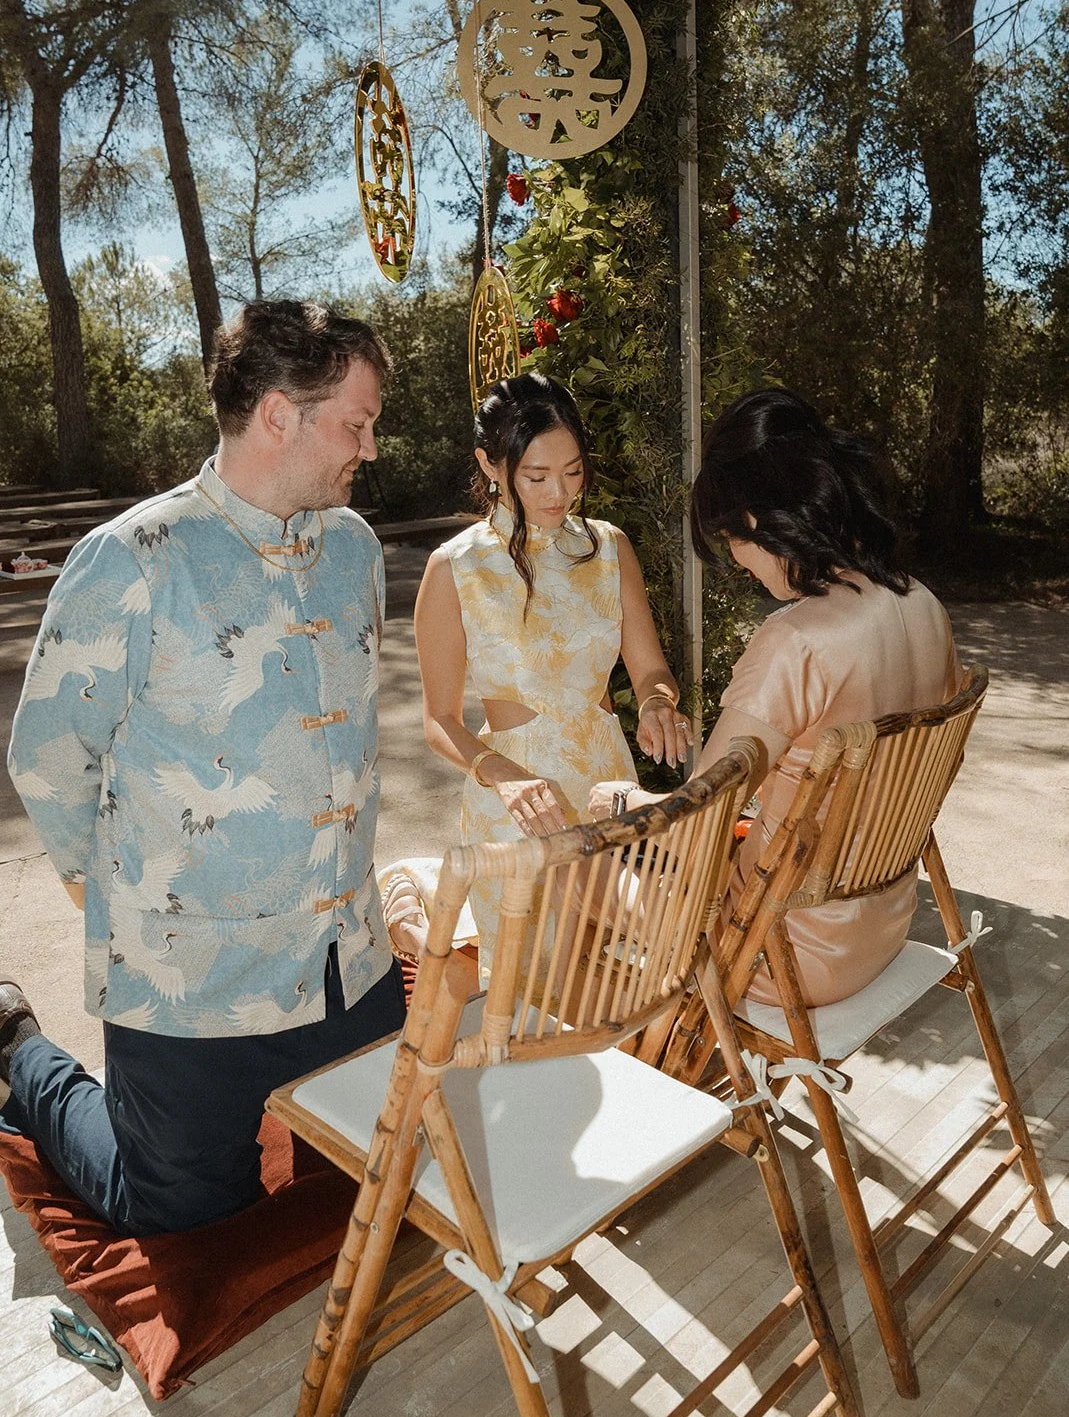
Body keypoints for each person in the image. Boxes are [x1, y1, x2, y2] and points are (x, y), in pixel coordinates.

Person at [1, 299, 407, 1235]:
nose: (371, 447)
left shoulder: (353, 550)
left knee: (364, 1195)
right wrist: (110, 885)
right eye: (357, 421)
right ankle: (22, 1050)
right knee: (175, 1218)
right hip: (191, 981)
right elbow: (51, 757)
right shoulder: (132, 560)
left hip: (347, 960)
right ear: (278, 415)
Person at [592, 387, 960, 1008]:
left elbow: (692, 825)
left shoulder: (796, 641)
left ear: (755, 521)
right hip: (885, 922)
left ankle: (646, 1080)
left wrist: (621, 798)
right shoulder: (924, 604)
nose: (736, 563)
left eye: (730, 542)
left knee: (576, 870)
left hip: (781, 949)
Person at [406, 371, 691, 977]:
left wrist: (658, 704)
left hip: (605, 785)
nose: (559, 494)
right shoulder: (454, 567)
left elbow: (650, 669)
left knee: (617, 978)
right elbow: (439, 721)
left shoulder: (609, 546)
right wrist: (503, 776)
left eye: (573, 471)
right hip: (516, 802)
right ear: (490, 464)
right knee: (533, 986)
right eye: (536, 477)